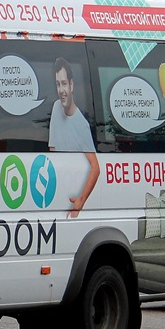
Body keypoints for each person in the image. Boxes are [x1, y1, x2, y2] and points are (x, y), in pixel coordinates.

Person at [48, 57, 99, 218]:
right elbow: (53, 150)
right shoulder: (56, 107)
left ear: (71, 85)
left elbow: (95, 168)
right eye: (58, 84)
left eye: (64, 84)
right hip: (56, 194)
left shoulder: (81, 125)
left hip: (72, 199)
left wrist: (81, 201)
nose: (61, 90)